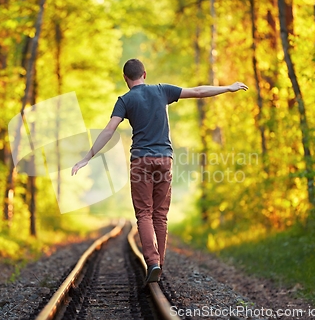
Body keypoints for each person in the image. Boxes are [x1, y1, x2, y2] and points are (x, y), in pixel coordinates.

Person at [72, 59, 248, 284]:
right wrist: (228, 87)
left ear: (126, 78)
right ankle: (159, 265)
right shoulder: (162, 90)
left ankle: (153, 262)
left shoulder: (124, 100)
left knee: (144, 213)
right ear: (145, 74)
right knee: (160, 215)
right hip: (165, 160)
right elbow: (198, 91)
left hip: (141, 161)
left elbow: (108, 131)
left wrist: (87, 157)